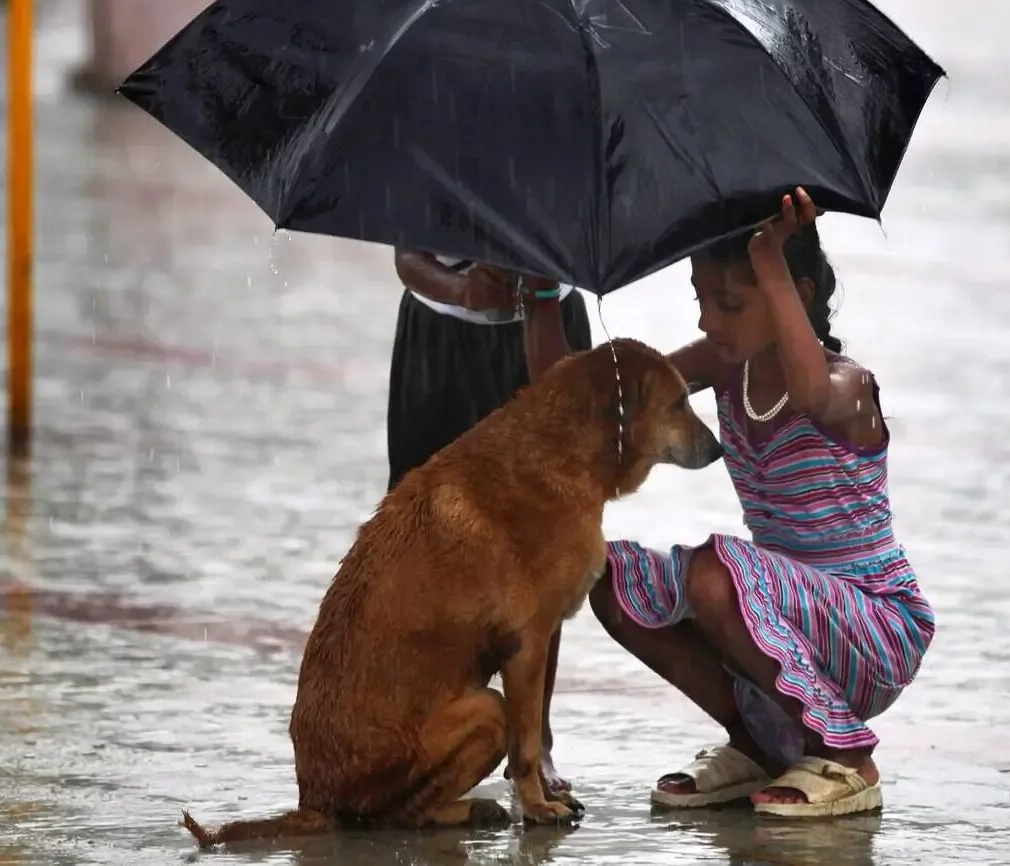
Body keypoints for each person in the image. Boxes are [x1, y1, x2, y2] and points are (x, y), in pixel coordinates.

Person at [519, 188, 934, 818]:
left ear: (798, 295)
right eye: (702, 301)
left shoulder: (846, 387)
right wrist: (541, 294)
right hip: (772, 621)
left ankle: (848, 757)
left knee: (717, 573)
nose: (710, 322)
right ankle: (758, 743)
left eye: (730, 303)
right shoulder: (723, 363)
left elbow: (809, 390)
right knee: (604, 573)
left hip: (872, 628)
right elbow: (576, 402)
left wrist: (769, 256)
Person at [387, 249, 594, 790]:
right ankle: (427, 732)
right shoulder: (431, 159)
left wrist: (542, 281)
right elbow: (407, 255)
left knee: (547, 547)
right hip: (440, 335)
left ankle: (535, 739)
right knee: (426, 543)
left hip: (548, 322)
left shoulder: (562, 162)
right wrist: (460, 290)